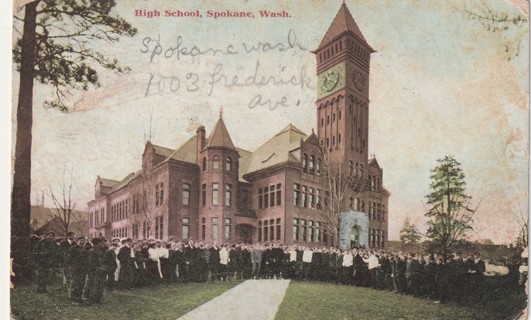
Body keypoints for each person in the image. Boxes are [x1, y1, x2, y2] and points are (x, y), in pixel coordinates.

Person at [85, 237, 108, 304]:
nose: (102, 244)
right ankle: (90, 299)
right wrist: (99, 267)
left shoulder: (98, 250)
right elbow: (91, 263)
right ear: (97, 244)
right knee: (93, 285)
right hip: (94, 271)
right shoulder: (92, 251)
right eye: (100, 242)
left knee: (99, 285)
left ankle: (97, 299)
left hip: (98, 271)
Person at [66, 236, 88, 303]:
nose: (82, 242)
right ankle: (73, 297)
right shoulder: (73, 249)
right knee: (75, 282)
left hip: (83, 268)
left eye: (83, 241)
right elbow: (69, 259)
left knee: (82, 283)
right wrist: (73, 266)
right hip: (75, 268)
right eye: (80, 240)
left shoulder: (84, 249)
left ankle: (79, 297)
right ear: (77, 241)